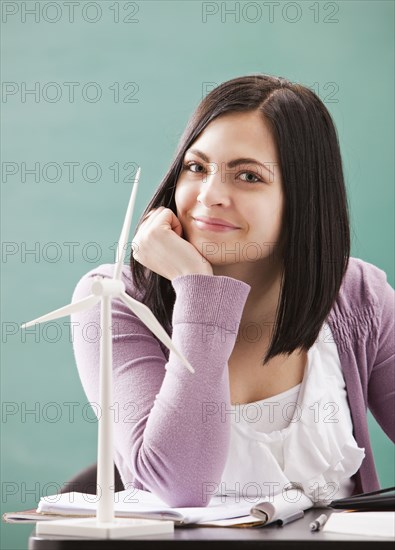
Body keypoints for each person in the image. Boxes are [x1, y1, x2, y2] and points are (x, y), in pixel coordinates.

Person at [70, 74, 394, 508]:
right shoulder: (115, 300)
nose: (210, 195)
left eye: (247, 176)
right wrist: (199, 292)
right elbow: (179, 488)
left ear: (304, 198)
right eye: (196, 167)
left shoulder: (358, 297)